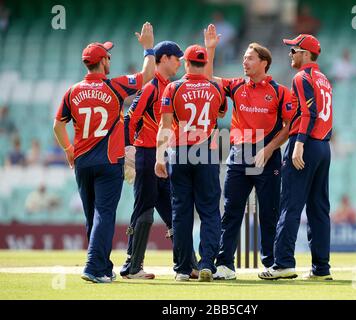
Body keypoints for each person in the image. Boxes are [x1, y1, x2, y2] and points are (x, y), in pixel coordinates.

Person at [53, 22, 155, 283]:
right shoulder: (115, 86)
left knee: (93, 217)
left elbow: (58, 124)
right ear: (103, 62)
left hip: (83, 161)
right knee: (104, 214)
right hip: (109, 161)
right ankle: (93, 268)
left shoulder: (73, 91)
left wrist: (68, 149)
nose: (110, 58)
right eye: (108, 55)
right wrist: (148, 48)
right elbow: (146, 75)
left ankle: (103, 265)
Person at [204, 24, 293, 280]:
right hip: (239, 155)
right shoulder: (236, 86)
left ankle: (273, 264)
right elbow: (209, 80)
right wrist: (210, 49)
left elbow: (288, 127)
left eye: (250, 58)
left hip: (267, 156)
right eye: (243, 58)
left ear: (264, 62)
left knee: (268, 212)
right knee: (231, 210)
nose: (245, 62)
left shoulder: (279, 91)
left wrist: (268, 149)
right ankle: (225, 265)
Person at [121, 41, 199, 280]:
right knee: (144, 210)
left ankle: (188, 265)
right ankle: (132, 266)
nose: (180, 63)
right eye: (177, 58)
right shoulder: (151, 87)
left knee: (175, 213)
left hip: (164, 157)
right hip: (146, 155)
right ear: (163, 58)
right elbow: (130, 119)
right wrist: (129, 152)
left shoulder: (172, 87)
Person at [259, 34, 333, 281]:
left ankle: (283, 264)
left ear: (305, 53)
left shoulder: (302, 77)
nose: (291, 54)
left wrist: (299, 144)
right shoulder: (323, 79)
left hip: (305, 143)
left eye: (294, 50)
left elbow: (309, 113)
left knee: (290, 204)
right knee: (319, 209)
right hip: (323, 147)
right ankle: (321, 268)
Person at [155, 44, 227, 282]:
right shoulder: (217, 88)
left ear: (186, 63)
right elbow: (221, 114)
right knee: (209, 212)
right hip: (206, 152)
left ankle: (183, 269)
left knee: (181, 212)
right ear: (205, 63)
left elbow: (165, 126)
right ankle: (207, 264)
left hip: (180, 152)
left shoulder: (173, 88)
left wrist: (159, 157)